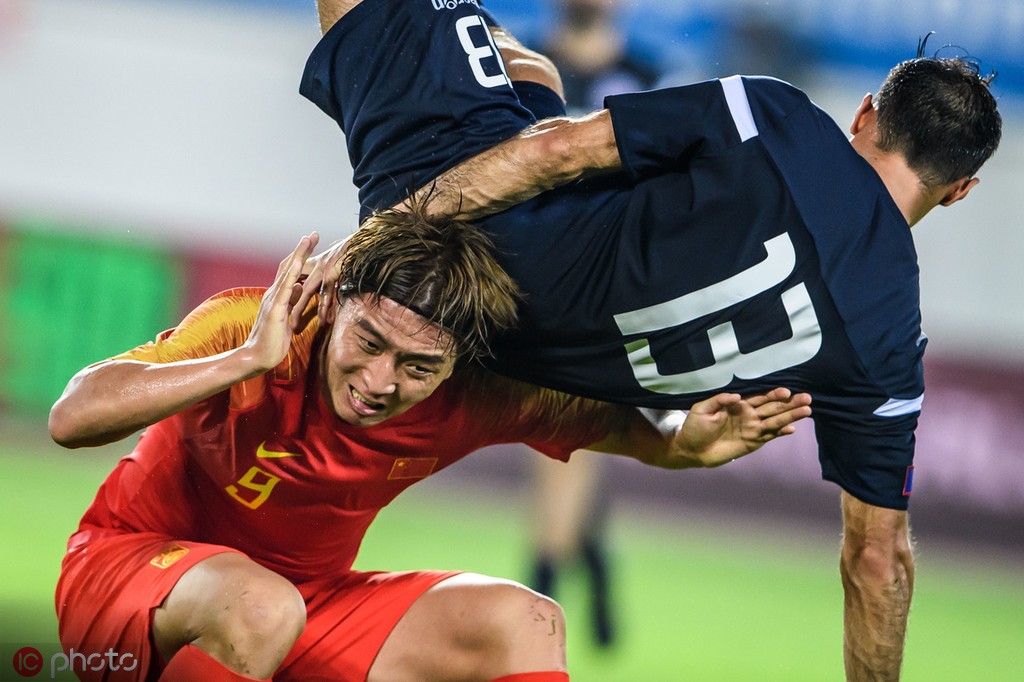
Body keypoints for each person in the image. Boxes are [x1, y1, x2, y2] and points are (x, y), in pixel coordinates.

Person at [297, 2, 1002, 679]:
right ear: (959, 190)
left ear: (866, 114)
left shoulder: (777, 118)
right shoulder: (887, 345)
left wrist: (375, 239)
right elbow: (879, 561)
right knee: (533, 71)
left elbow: (559, 151)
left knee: (417, 19)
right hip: (524, 383)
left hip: (460, 258)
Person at [49, 203, 811, 682]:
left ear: (456, 364)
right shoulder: (259, 326)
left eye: (418, 366)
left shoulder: (480, 395)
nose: (379, 381)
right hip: (126, 574)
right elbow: (72, 416)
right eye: (369, 342)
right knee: (258, 608)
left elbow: (621, 428)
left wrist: (685, 440)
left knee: (528, 622)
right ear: (338, 300)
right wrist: (246, 360)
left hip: (302, 609)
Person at [524, 0, 665, 649]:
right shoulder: (521, 64)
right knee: (564, 436)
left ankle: (540, 589)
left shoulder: (651, 77)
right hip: (530, 272)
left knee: (566, 436)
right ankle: (593, 559)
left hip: (611, 282)